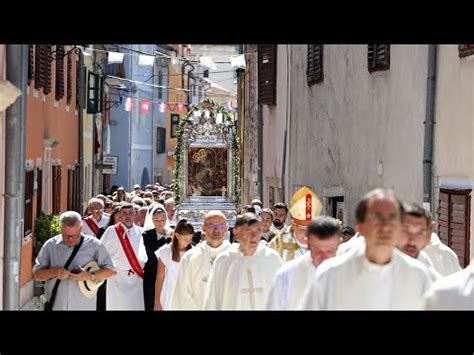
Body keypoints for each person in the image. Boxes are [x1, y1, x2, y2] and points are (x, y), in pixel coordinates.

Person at [298, 189, 432, 310]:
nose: (385, 227)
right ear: (360, 228)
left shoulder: (417, 274)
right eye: (377, 219)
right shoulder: (330, 274)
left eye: (392, 219)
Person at [33, 211, 116, 310]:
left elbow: (111, 271)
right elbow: (37, 275)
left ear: (81, 228)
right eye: (66, 236)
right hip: (57, 306)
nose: (71, 239)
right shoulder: (51, 245)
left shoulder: (94, 245)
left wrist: (90, 275)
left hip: (84, 306)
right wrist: (54, 272)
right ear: (61, 229)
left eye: (75, 235)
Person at [205, 213, 282, 310]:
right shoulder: (224, 261)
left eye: (258, 231)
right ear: (236, 233)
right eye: (248, 231)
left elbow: (282, 297)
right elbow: (213, 299)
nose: (254, 236)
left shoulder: (272, 258)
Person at [267, 216, 341, 310]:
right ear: (308, 244)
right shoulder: (286, 276)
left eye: (330, 251)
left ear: (339, 243)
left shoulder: (348, 273)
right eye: (318, 251)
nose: (324, 258)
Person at [170, 211, 232, 310]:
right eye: (211, 226)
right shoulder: (190, 257)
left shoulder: (235, 257)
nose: (216, 230)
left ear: (226, 228)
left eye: (220, 226)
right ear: (203, 228)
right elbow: (182, 293)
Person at [101, 203, 148, 310]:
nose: (127, 216)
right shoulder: (111, 231)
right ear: (119, 216)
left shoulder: (142, 232)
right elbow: (101, 252)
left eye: (130, 213)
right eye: (124, 213)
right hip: (116, 278)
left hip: (137, 278)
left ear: (135, 215)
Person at [268, 187, 323, 263]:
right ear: (294, 225)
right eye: (302, 230)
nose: (306, 235)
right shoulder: (278, 243)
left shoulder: (322, 244)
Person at [155, 219, 194, 310]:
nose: (188, 242)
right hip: (169, 294)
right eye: (185, 239)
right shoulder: (165, 252)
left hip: (187, 297)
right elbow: (160, 278)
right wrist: (157, 301)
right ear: (177, 235)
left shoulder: (194, 252)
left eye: (190, 239)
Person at [397, 203, 441, 281]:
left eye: (420, 233)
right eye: (405, 231)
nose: (412, 241)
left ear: (428, 237)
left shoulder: (430, 275)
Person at [142, 204, 172, 311]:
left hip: (167, 276)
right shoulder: (146, 235)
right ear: (152, 221)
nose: (160, 223)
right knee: (150, 304)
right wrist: (165, 239)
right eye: (157, 220)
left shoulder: (172, 234)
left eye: (163, 219)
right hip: (151, 276)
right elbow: (153, 252)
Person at [95, 205, 122, 311]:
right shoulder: (104, 230)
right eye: (118, 214)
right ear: (113, 216)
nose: (120, 217)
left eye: (123, 214)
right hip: (107, 267)